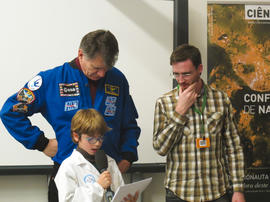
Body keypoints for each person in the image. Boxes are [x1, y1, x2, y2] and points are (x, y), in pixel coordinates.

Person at [0, 29, 140, 202]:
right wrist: (41, 143)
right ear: (81, 55)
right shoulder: (52, 79)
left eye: (107, 68)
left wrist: (128, 155)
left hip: (107, 175)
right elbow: (10, 112)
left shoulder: (117, 79)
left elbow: (129, 123)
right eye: (96, 68)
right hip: (68, 176)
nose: (103, 74)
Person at [153, 44, 246, 202]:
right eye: (176, 74)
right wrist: (179, 112)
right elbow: (161, 148)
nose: (180, 80)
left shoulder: (220, 99)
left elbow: (233, 146)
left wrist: (238, 189)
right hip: (179, 192)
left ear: (200, 69)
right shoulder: (164, 102)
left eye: (186, 74)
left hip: (217, 191)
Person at [55, 109, 138, 202]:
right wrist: (98, 187)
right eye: (91, 139)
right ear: (76, 136)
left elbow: (117, 193)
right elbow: (68, 200)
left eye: (100, 138)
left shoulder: (110, 162)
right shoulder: (68, 167)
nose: (97, 143)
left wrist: (126, 200)